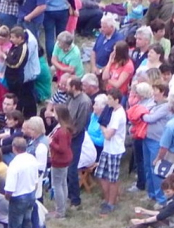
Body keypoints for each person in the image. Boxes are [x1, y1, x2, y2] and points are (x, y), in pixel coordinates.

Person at [90, 87, 125, 216]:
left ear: (117, 100)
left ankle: (111, 203)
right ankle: (107, 198)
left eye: (110, 99)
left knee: (112, 179)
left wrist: (103, 128)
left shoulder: (119, 114)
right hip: (107, 149)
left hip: (114, 150)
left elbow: (108, 135)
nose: (108, 101)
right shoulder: (111, 110)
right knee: (100, 175)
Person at [142, 82, 172, 206]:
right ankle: (151, 193)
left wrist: (142, 114)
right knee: (147, 167)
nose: (153, 93)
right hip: (147, 138)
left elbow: (150, 118)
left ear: (163, 93)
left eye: (156, 91)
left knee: (156, 169)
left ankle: (161, 198)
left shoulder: (166, 106)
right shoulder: (153, 104)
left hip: (157, 141)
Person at [66, 76, 92, 208]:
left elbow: (80, 124)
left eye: (67, 85)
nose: (65, 88)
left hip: (75, 137)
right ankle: (69, 194)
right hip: (67, 135)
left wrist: (69, 134)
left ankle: (75, 200)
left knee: (72, 168)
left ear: (74, 87)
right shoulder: (70, 97)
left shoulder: (84, 102)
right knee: (66, 167)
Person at [4, 137, 39, 228]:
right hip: (31, 194)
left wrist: (7, 198)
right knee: (27, 222)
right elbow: (36, 180)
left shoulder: (14, 164)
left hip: (18, 198)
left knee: (15, 224)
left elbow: (9, 189)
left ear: (14, 147)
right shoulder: (32, 159)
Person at [49, 104, 74, 219]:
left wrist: (51, 142)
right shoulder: (64, 128)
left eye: (54, 112)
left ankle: (60, 212)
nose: (53, 114)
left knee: (57, 185)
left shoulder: (61, 131)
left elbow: (62, 149)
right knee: (63, 183)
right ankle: (63, 207)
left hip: (59, 160)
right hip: (65, 160)